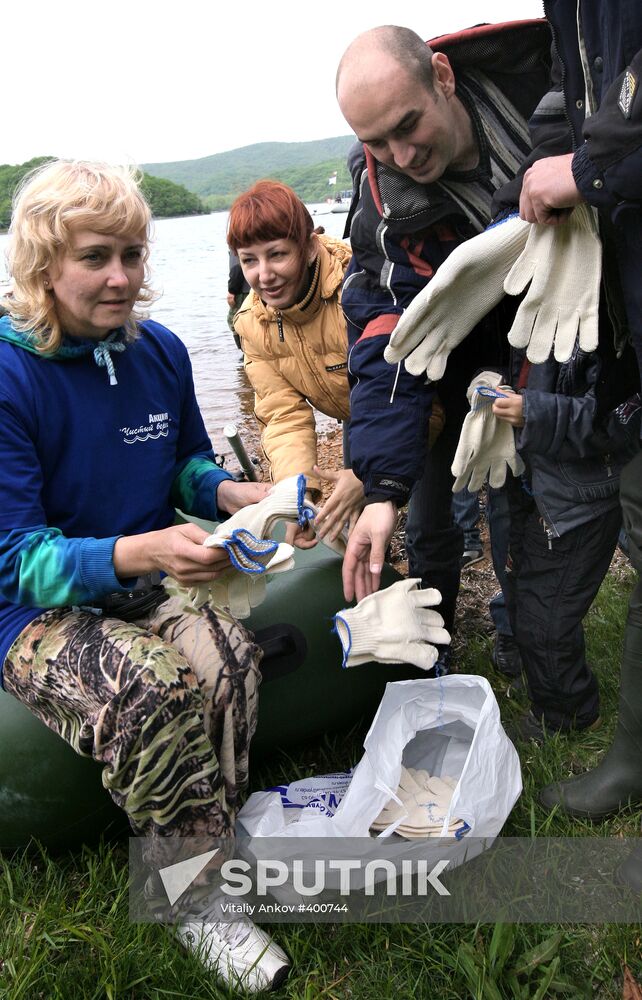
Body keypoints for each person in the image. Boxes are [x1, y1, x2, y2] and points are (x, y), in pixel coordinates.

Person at [0, 159, 290, 993]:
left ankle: (201, 843)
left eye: (133, 253)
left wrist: (238, 493)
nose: (122, 277)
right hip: (31, 610)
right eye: (96, 257)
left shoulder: (158, 350)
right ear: (42, 266)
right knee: (147, 689)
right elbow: (18, 560)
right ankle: (197, 904)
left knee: (229, 656)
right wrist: (150, 550)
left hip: (138, 574)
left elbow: (186, 469)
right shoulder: (12, 374)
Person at [335, 22, 552, 639]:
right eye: (376, 142)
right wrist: (382, 486)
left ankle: (530, 644)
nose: (402, 157)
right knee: (469, 505)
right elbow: (388, 336)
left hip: (566, 331)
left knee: (546, 505)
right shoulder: (383, 207)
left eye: (407, 126)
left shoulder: (541, 84)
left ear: (443, 76)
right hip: (470, 368)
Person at [495, 1, 642, 829]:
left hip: (580, 466)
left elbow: (604, 420)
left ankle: (584, 721)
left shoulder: (596, 310)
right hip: (551, 465)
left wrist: (529, 410)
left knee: (561, 598)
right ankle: (592, 728)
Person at [227, 180, 365, 548]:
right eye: (249, 260)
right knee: (354, 517)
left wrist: (372, 471)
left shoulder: (359, 284)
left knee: (426, 526)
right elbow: (283, 415)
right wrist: (297, 498)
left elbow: (403, 386)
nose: (263, 275)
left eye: (276, 254)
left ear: (307, 247)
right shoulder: (252, 323)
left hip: (421, 402)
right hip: (356, 411)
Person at [226, 249, 250, 350]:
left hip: (242, 291)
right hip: (247, 289)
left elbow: (237, 268)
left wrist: (232, 291)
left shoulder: (237, 244)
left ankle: (245, 349)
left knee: (234, 320)